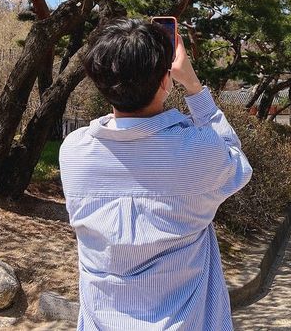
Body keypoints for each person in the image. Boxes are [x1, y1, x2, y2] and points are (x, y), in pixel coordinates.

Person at [59, 18, 252, 331]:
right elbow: (237, 163)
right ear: (166, 82)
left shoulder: (74, 152)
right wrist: (194, 88)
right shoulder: (196, 149)